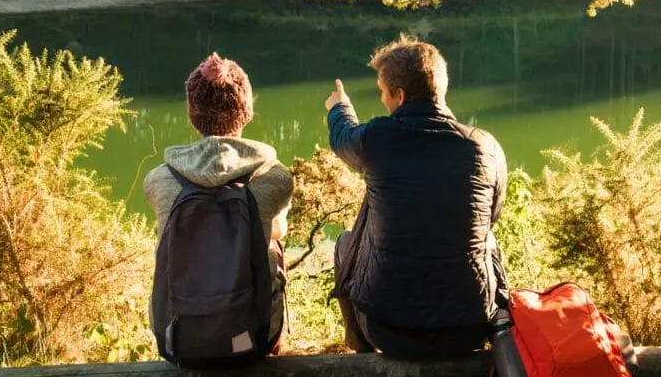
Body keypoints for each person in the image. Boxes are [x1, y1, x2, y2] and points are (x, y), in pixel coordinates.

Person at [325, 35, 509, 360]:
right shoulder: (486, 146)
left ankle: (361, 350)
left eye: (383, 92)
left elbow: (342, 139)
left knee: (344, 243)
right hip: (469, 329)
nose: (382, 99)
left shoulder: (378, 138)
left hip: (389, 331)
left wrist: (340, 107)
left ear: (399, 94)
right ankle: (502, 333)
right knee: (488, 241)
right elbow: (490, 217)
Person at [144, 52, 293, 352]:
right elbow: (278, 231)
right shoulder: (277, 178)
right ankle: (265, 352)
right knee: (273, 244)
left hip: (180, 339)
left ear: (192, 113)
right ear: (247, 110)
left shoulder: (158, 180)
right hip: (249, 339)